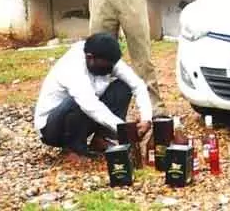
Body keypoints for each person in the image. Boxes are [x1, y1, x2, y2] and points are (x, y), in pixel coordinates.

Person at [34, 32, 152, 160]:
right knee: (76, 102)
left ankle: (102, 139)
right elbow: (90, 105)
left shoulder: (106, 58)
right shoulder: (72, 66)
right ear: (90, 58)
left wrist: (146, 118)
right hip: (53, 129)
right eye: (106, 66)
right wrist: (124, 130)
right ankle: (73, 148)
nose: (110, 70)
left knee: (122, 86)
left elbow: (137, 85)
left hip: (83, 117)